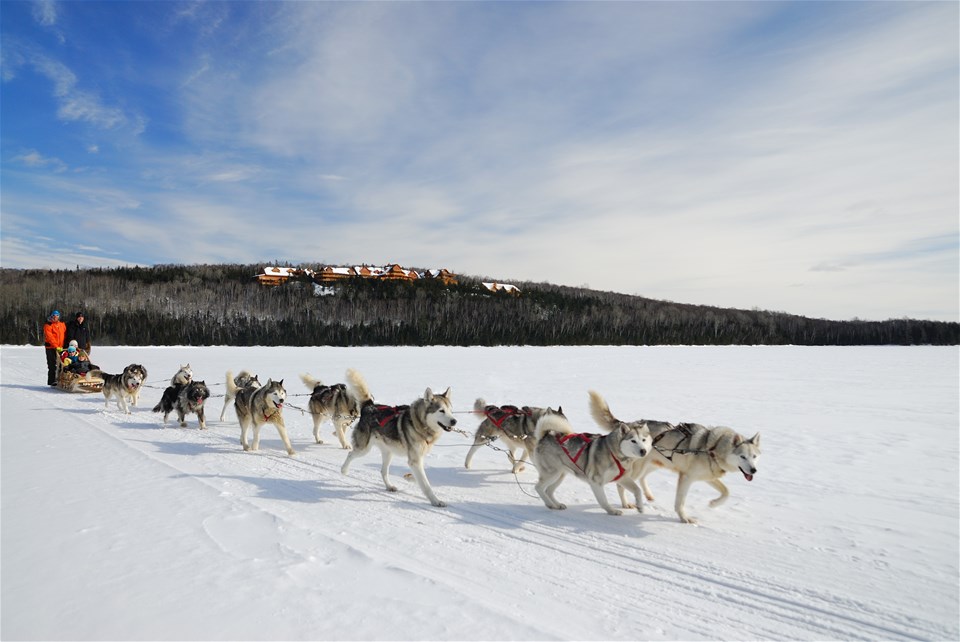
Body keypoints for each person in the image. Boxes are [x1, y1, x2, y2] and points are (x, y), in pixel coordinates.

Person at [43, 310, 66, 386]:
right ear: (52, 316)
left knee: (61, 364)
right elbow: (50, 337)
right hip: (51, 348)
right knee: (52, 365)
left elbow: (65, 334)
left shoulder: (62, 324)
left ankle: (60, 380)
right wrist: (56, 346)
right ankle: (52, 381)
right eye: (54, 316)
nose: (55, 317)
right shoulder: (48, 325)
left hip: (61, 348)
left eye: (57, 316)